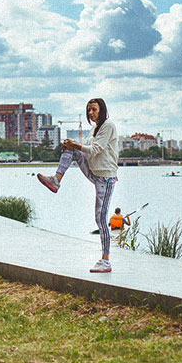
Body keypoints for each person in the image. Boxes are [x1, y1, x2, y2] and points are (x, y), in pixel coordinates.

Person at [37, 98, 119, 273]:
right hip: (94, 171)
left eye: (94, 109)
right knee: (71, 148)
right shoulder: (94, 128)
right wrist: (70, 146)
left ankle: (106, 261)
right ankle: (56, 180)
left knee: (101, 218)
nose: (91, 113)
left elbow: (96, 149)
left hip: (105, 178)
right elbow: (86, 148)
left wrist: (75, 145)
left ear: (102, 110)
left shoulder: (108, 126)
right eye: (89, 110)